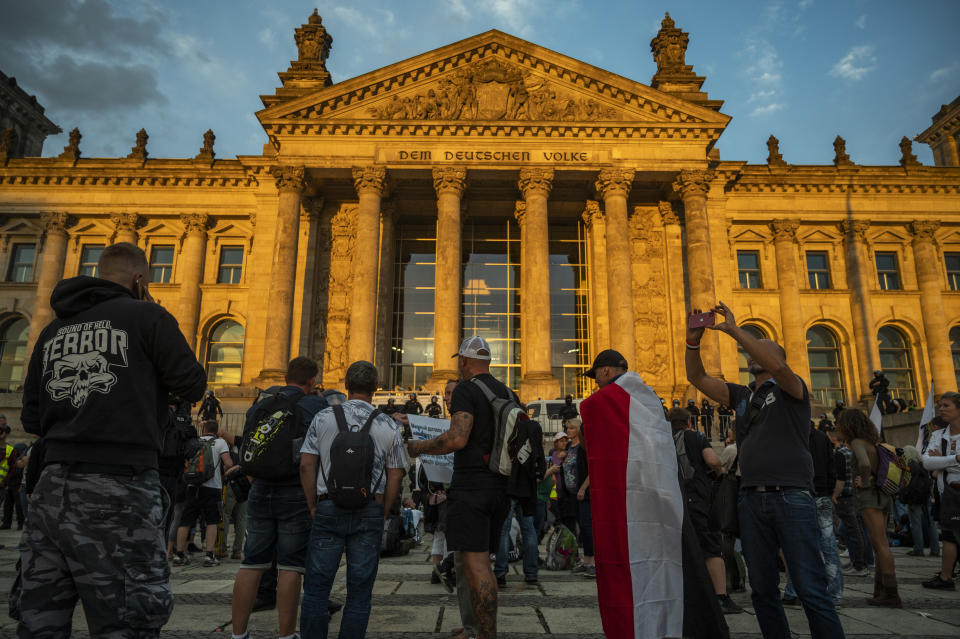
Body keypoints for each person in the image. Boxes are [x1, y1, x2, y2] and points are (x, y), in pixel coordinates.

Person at [17, 242, 207, 636]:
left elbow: (31, 416)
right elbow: (192, 384)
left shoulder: (53, 329)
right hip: (120, 486)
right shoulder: (147, 316)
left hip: (50, 488)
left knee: (40, 619)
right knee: (127, 618)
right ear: (139, 280)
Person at [685, 301, 845, 638]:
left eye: (761, 349)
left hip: (791, 497)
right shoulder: (743, 395)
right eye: (751, 348)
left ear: (778, 359)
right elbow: (696, 377)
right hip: (751, 498)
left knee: (810, 588)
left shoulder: (792, 389)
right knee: (762, 591)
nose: (751, 353)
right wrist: (692, 341)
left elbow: (776, 364)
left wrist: (735, 330)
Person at [579, 349, 725, 639]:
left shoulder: (608, 401)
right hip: (658, 492)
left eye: (595, 375)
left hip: (632, 498)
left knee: (638, 566)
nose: (595, 381)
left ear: (606, 371)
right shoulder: (649, 399)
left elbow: (595, 425)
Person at [407, 336, 511, 639]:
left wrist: (419, 446)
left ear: (464, 361)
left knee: (477, 566)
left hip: (472, 488)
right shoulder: (506, 391)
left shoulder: (467, 389)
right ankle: (476, 627)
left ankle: (486, 635)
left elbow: (457, 439)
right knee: (479, 563)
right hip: (499, 487)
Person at [299, 360, 407, 638]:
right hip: (369, 508)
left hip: (327, 506)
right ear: (376, 388)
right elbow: (396, 475)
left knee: (316, 590)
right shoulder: (388, 425)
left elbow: (306, 465)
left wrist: (313, 504)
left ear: (346, 386)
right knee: (359, 592)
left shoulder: (323, 418)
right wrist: (383, 510)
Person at [230, 356, 328, 639]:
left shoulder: (261, 403)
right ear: (311, 381)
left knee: (251, 562)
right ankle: (286, 635)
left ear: (286, 377)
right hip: (295, 490)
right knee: (290, 566)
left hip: (260, 488)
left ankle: (238, 635)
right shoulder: (315, 405)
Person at [667, 408, 741, 614]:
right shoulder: (695, 436)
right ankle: (720, 597)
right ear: (689, 421)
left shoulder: (662, 439)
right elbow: (713, 460)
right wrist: (719, 472)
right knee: (710, 546)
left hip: (672, 498)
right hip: (696, 498)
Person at [834, 409, 901, 606]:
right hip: (883, 496)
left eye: (840, 423)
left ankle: (891, 594)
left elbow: (863, 464)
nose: (837, 426)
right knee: (881, 544)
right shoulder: (873, 443)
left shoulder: (857, 443)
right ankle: (881, 591)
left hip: (869, 497)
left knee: (880, 544)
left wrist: (864, 481)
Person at [782, 425, 843, 608]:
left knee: (796, 544)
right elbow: (831, 465)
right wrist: (829, 491)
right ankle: (834, 594)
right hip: (822, 494)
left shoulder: (790, 433)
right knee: (829, 545)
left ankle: (793, 592)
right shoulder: (821, 437)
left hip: (799, 492)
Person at [173, 419, 233, 567]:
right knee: (212, 521)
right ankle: (209, 555)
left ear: (204, 429)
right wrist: (223, 474)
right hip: (213, 487)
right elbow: (229, 463)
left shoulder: (194, 442)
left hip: (192, 485)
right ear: (216, 430)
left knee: (186, 520)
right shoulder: (220, 443)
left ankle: (179, 554)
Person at [921, 390, 960, 590]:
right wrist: (954, 460)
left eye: (946, 406)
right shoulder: (938, 434)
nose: (941, 409)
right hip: (947, 492)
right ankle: (946, 577)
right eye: (940, 406)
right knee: (948, 535)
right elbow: (926, 462)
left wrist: (941, 463)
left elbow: (935, 462)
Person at [829, 429, 871, 577]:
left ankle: (859, 565)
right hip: (855, 494)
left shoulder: (840, 453)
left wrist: (834, 495)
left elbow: (840, 479)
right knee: (854, 530)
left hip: (845, 496)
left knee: (852, 531)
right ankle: (859, 561)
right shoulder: (854, 452)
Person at [559, 417, 594, 578]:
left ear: (579, 430)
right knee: (576, 526)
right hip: (570, 494)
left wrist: (583, 488)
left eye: (572, 428)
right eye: (567, 428)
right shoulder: (568, 447)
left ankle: (591, 561)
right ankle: (584, 559)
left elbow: (591, 470)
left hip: (582, 493)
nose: (568, 431)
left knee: (586, 527)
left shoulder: (583, 447)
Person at [0, 421, 22, 530]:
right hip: (6, 484)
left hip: (5, 485)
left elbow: (13, 469)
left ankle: (16, 524)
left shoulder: (10, 451)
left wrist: (6, 482)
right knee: (8, 506)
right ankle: (7, 524)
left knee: (13, 505)